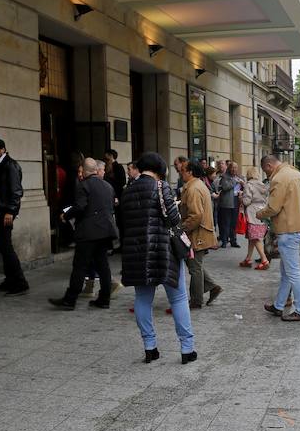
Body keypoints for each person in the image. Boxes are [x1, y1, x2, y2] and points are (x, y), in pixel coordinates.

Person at [121, 152, 196, 364]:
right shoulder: (161, 187)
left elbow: (124, 224)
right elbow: (173, 219)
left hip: (137, 253)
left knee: (143, 300)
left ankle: (150, 347)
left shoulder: (127, 191)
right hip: (164, 251)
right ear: (159, 169)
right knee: (179, 298)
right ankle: (187, 349)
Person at [48, 158, 117, 310]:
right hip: (105, 231)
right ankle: (104, 299)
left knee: (80, 266)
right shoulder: (107, 186)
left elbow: (80, 206)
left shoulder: (83, 185)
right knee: (103, 265)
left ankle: (70, 299)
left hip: (88, 232)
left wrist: (65, 215)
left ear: (85, 171)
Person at [257, 155, 300, 322]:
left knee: (292, 272)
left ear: (269, 165)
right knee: (287, 271)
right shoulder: (295, 173)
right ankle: (279, 305)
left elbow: (273, 207)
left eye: (266, 171)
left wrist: (259, 213)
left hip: (288, 230)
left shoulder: (279, 178)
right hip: (299, 227)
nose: (267, 175)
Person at [0, 138, 28, 296]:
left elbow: (16, 191)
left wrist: (10, 211)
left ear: (3, 149)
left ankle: (20, 282)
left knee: (6, 248)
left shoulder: (10, 165)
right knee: (4, 249)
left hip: (4, 212)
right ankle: (10, 279)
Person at [179, 161, 221, 309]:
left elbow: (195, 215)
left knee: (194, 267)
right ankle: (213, 287)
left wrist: (182, 228)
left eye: (183, 170)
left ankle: (196, 300)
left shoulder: (194, 189)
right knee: (194, 264)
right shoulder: (196, 186)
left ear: (190, 172)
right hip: (199, 233)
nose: (180, 172)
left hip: (198, 234)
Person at [241, 166, 270, 270]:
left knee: (256, 237)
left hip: (252, 212)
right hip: (262, 211)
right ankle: (248, 258)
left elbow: (246, 201)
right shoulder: (262, 184)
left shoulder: (248, 185)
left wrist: (241, 197)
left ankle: (264, 259)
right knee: (252, 237)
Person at [217, 161, 243, 248]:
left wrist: (242, 189)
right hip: (227, 202)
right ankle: (224, 241)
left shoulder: (239, 177)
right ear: (229, 168)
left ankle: (233, 241)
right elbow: (225, 187)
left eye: (236, 168)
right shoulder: (225, 176)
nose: (234, 169)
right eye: (232, 168)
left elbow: (244, 187)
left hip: (236, 200)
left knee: (234, 222)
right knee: (226, 222)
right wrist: (235, 182)